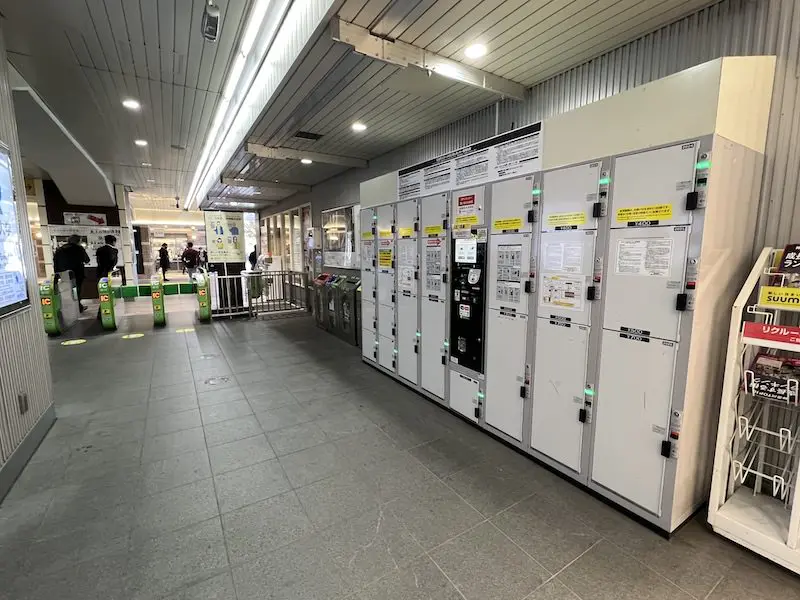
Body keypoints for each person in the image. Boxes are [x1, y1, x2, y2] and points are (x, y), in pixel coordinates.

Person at [53, 234, 90, 312]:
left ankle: (68, 308)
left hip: (64, 274)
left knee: (66, 291)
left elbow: (55, 262)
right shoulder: (79, 248)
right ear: (78, 241)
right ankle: (78, 307)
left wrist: (57, 274)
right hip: (77, 274)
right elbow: (87, 260)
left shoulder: (60, 249)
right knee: (77, 290)